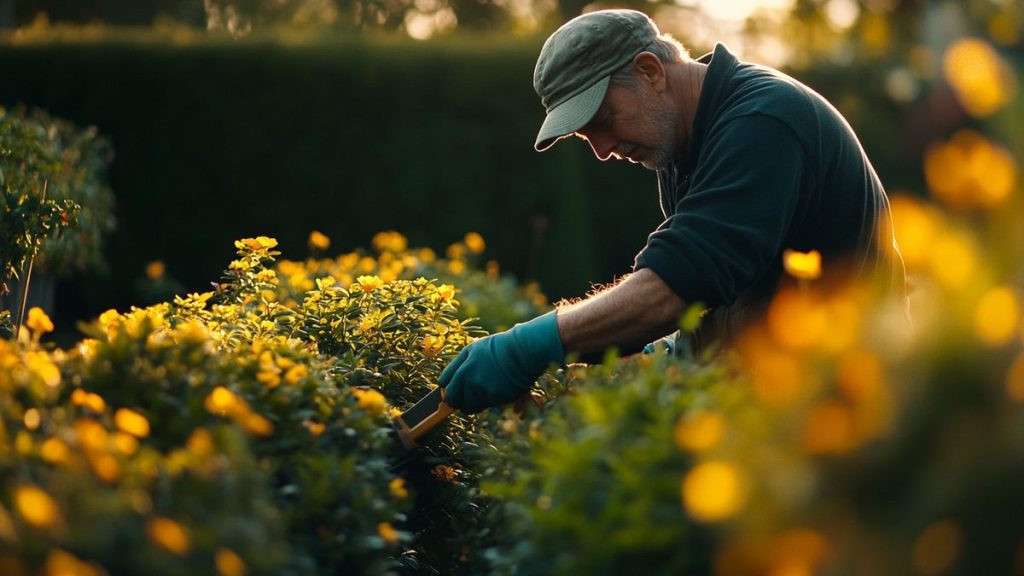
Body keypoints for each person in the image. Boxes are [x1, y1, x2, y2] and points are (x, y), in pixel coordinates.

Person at [439, 9, 907, 413]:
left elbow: (672, 290)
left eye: (602, 120)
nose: (601, 150)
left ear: (650, 72)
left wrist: (530, 345)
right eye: (586, 137)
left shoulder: (763, 123)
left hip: (851, 408)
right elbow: (707, 295)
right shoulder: (685, 141)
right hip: (782, 399)